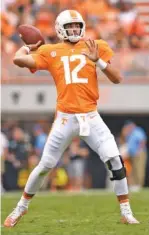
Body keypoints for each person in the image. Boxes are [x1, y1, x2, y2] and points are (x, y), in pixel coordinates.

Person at [4, 10, 139, 227]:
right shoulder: (50, 51)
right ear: (60, 29)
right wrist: (31, 46)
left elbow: (118, 78)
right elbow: (18, 59)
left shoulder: (96, 46)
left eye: (78, 26)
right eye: (71, 27)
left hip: (91, 116)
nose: (75, 30)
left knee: (115, 160)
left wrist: (100, 63)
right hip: (66, 118)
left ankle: (126, 211)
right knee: (45, 166)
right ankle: (20, 208)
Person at [122, 121, 147, 191]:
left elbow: (142, 141)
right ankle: (134, 185)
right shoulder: (129, 133)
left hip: (139, 153)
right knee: (133, 170)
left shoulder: (137, 131)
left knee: (139, 169)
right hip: (131, 154)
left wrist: (139, 150)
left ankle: (139, 185)